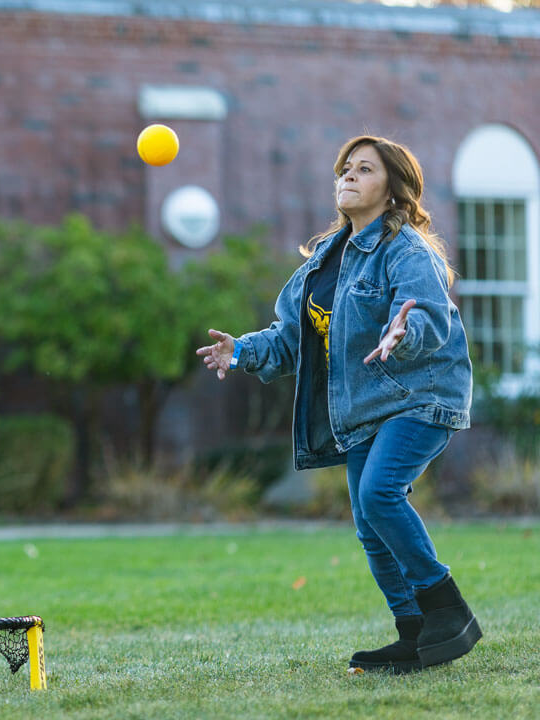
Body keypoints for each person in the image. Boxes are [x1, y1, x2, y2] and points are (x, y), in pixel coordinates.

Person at [196, 135, 480, 674]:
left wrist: (404, 331)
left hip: (420, 396)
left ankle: (447, 607)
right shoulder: (320, 265)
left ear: (393, 189)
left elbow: (426, 317)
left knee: (379, 493)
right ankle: (415, 632)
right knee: (369, 524)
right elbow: (288, 340)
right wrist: (241, 351)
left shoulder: (407, 250)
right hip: (361, 409)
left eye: (364, 170)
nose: (347, 177)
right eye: (345, 169)